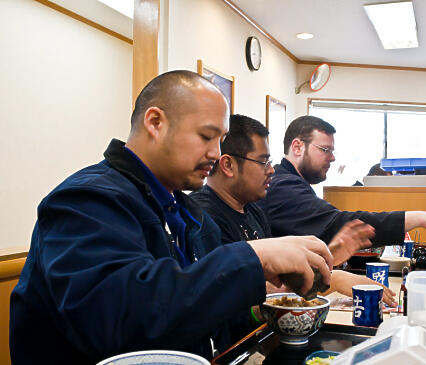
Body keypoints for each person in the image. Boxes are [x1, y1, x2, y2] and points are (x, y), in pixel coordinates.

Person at [9, 71, 333, 365]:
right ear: (155, 122)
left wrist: (262, 306)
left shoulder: (187, 212)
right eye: (206, 137)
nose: (217, 154)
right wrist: (253, 256)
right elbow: (120, 321)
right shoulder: (86, 201)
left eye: (220, 139)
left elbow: (192, 314)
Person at [190, 115, 396, 306]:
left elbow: (278, 283)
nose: (271, 170)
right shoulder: (202, 218)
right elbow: (236, 299)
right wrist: (334, 279)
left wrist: (331, 256)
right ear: (228, 165)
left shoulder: (253, 211)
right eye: (263, 162)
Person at [257, 115, 426, 246]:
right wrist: (420, 218)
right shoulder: (283, 185)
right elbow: (338, 225)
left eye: (332, 151)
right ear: (297, 147)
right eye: (325, 150)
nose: (332, 157)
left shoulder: (291, 181)